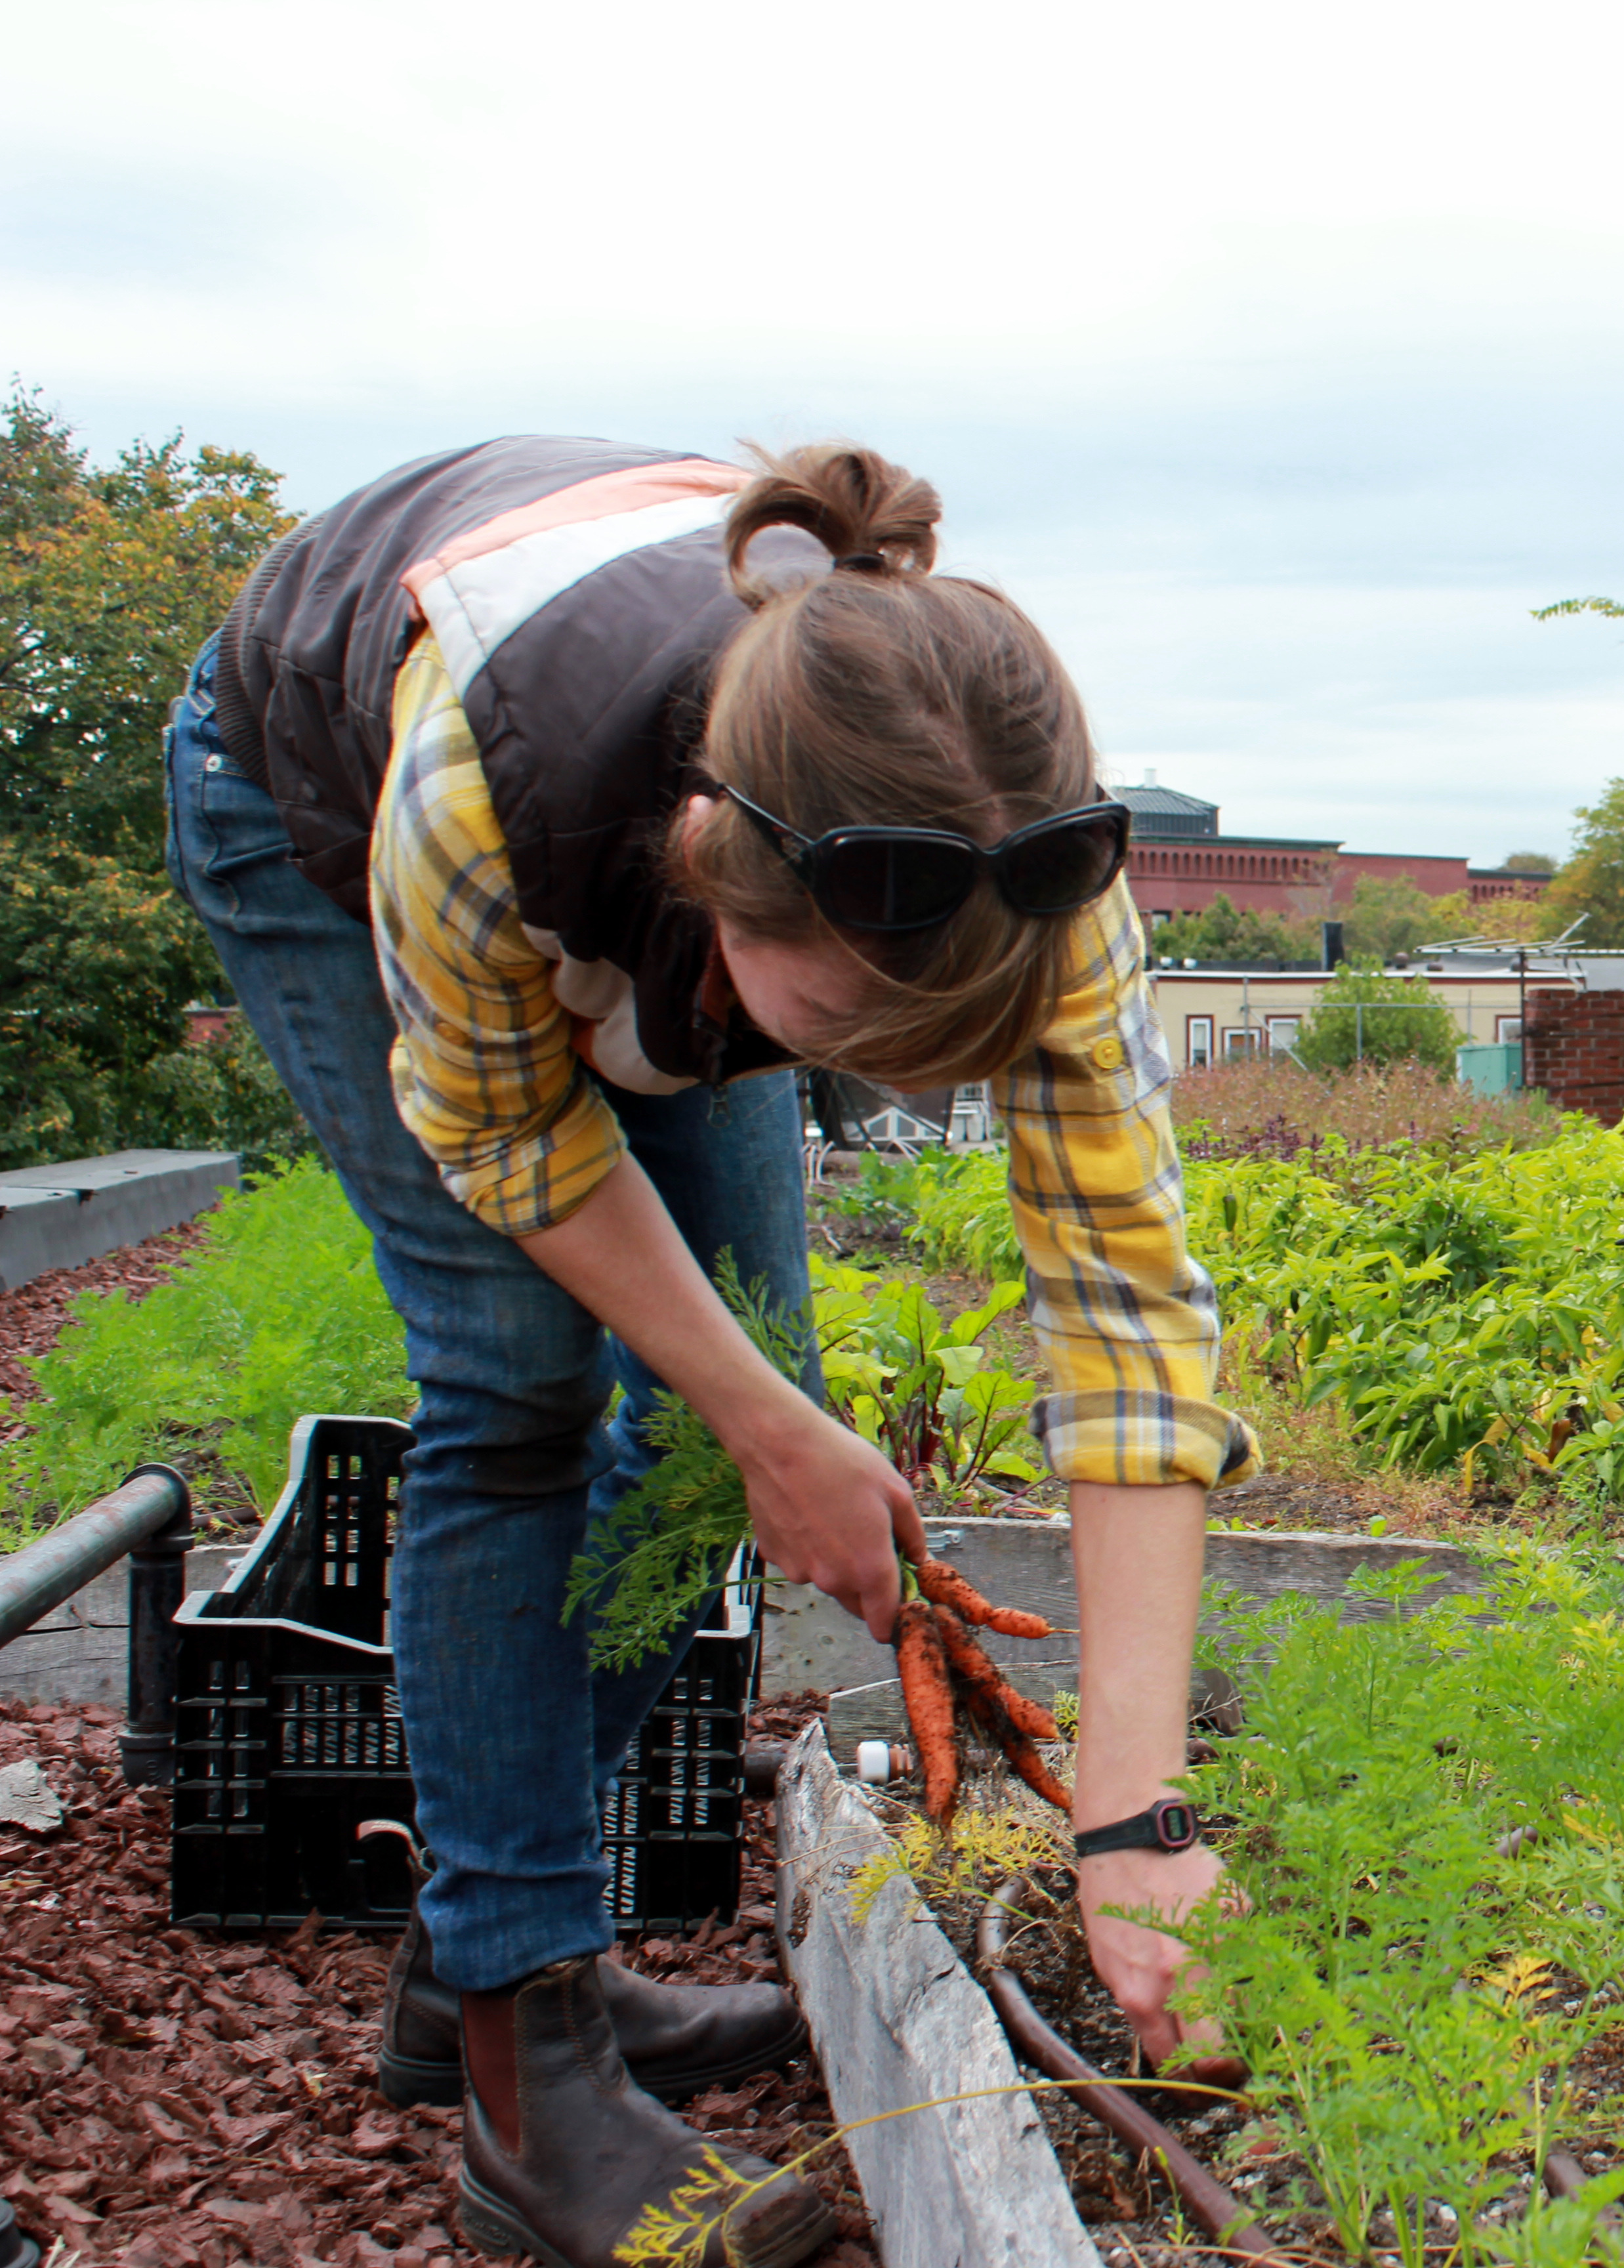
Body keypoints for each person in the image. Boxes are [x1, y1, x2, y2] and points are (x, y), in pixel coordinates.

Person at [171, 438, 1252, 2268]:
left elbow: (1130, 1322)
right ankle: (524, 2067)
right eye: (851, 1031)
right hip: (314, 785)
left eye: (949, 1045)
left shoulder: (1033, 862)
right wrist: (765, 1428)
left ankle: (483, 1953)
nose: (900, 1085)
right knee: (519, 1386)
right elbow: (512, 1145)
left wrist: (1134, 1810)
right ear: (706, 873)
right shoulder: (481, 792)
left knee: (722, 1417)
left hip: (672, 859)